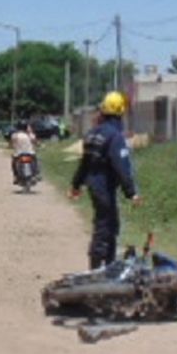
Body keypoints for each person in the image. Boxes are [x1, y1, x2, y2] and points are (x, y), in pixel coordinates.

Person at [68, 91, 141, 269]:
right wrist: (132, 193)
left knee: (107, 224)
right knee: (106, 227)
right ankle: (97, 268)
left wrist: (76, 184)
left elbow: (84, 163)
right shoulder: (115, 136)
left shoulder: (93, 133)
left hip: (94, 185)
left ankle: (107, 264)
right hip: (104, 186)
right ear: (120, 112)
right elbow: (122, 166)